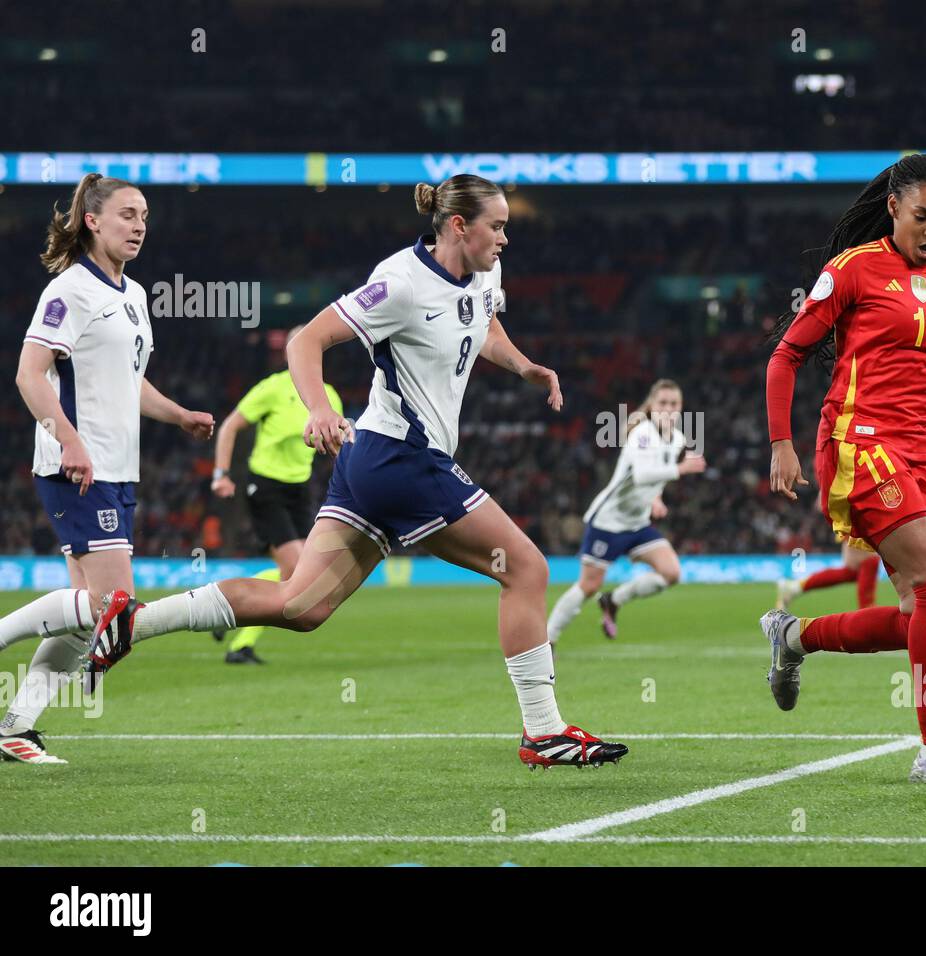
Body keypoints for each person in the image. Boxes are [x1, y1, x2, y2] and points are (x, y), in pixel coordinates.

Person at [84, 174, 627, 768]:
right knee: (527, 569)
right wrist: (319, 407)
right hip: (402, 460)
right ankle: (543, 732)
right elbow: (305, 341)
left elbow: (483, 320)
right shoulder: (399, 284)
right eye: (496, 227)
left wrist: (526, 368)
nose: (505, 239)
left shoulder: (483, 270)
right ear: (458, 226)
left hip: (378, 465)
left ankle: (135, 621)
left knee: (300, 607)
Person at [763, 154, 926, 785]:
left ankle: (794, 636)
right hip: (857, 441)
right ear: (894, 208)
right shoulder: (852, 270)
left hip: (922, 457)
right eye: (923, 216)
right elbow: (786, 356)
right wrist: (781, 443)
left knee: (917, 618)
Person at [0, 173, 214, 764]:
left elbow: (130, 381)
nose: (139, 224)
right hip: (77, 466)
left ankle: (16, 727)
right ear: (93, 221)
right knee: (112, 604)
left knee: (88, 614)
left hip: (119, 468)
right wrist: (69, 441)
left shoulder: (134, 295)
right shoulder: (69, 290)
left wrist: (178, 416)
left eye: (144, 214)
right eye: (126, 214)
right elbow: (28, 373)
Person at [209, 326, 345, 663]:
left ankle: (235, 630)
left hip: (300, 489)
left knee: (300, 576)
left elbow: (338, 444)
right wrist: (221, 474)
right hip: (266, 487)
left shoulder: (328, 395)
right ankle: (227, 605)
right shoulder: (272, 388)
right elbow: (229, 426)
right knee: (298, 571)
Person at [546, 379, 706, 643]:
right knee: (588, 585)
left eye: (674, 404)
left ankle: (614, 600)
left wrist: (656, 498)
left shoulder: (677, 438)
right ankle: (547, 639)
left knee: (671, 573)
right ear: (652, 407)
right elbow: (643, 474)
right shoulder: (642, 434)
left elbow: (654, 478)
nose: (668, 409)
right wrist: (682, 469)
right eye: (663, 403)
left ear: (680, 408)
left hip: (637, 523)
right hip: (609, 522)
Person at [775, 541, 881, 612]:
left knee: (853, 571)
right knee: (869, 560)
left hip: (857, 515)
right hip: (859, 515)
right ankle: (868, 621)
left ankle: (795, 587)